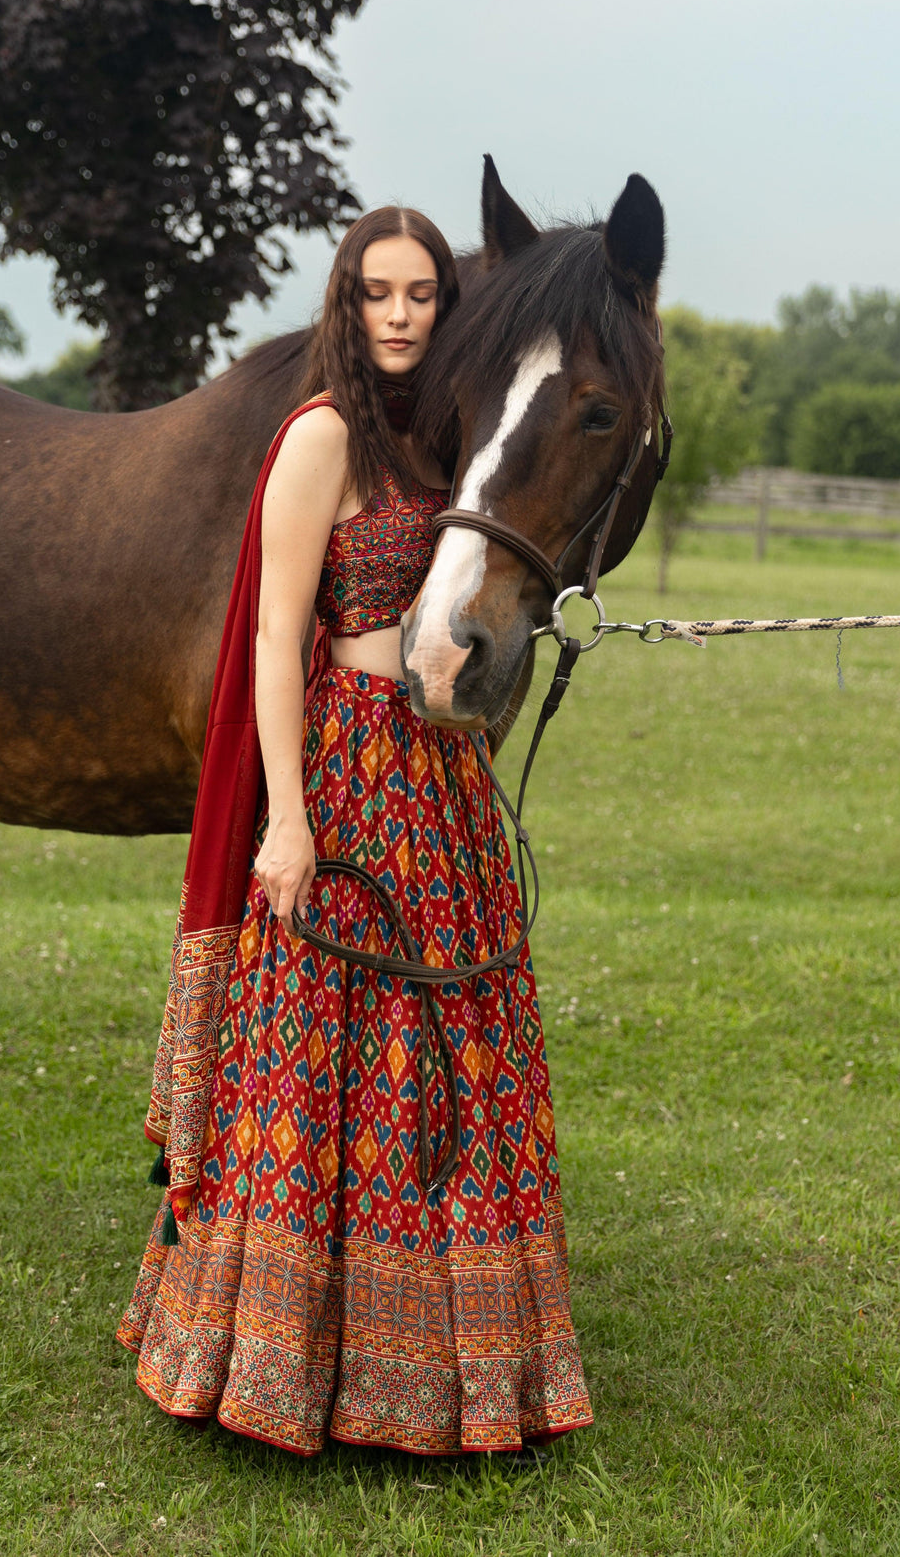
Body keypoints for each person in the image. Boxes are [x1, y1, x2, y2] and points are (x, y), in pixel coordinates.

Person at [116, 206, 593, 1457]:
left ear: (448, 307)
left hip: (442, 781)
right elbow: (277, 638)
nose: (397, 313)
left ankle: (453, 1368)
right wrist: (287, 816)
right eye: (376, 291)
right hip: (343, 768)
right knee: (320, 1064)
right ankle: (284, 1359)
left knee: (452, 1058)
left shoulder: (447, 448)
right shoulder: (319, 439)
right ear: (347, 300)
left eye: (420, 294)